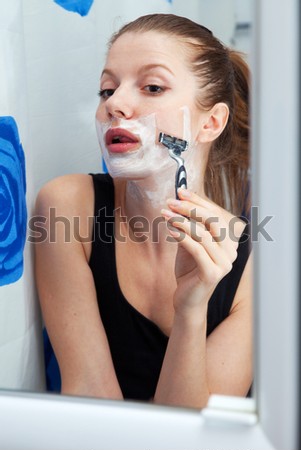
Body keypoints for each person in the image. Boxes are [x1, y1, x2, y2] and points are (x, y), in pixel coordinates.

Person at [35, 14, 252, 409]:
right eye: (107, 90)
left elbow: (190, 446)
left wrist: (190, 307)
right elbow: (88, 410)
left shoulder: (260, 267)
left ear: (212, 122)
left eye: (152, 87)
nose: (115, 105)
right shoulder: (67, 207)